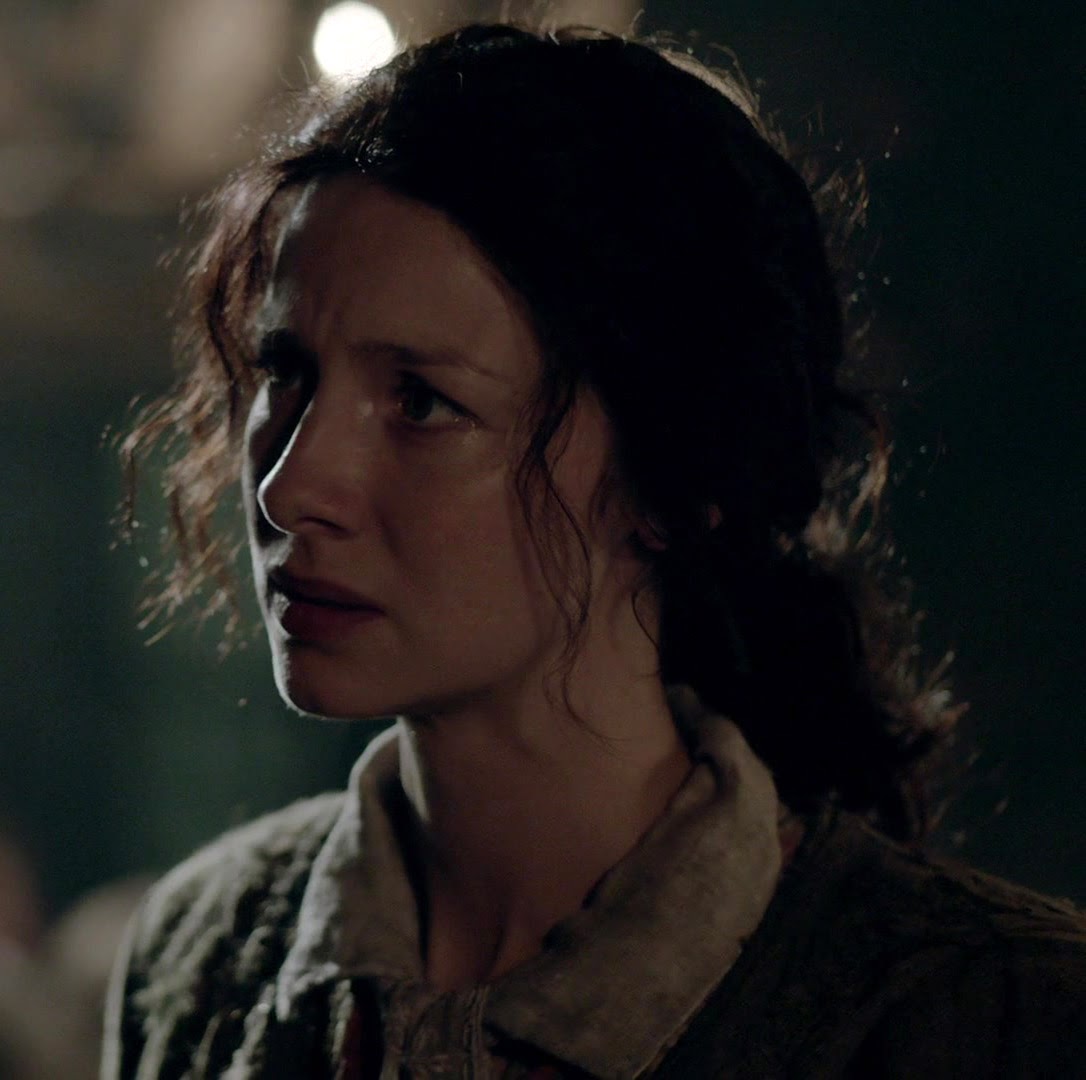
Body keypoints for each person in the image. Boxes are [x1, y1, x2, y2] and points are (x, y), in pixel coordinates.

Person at [101, 22, 1086, 1078]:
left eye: (422, 402)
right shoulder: (204, 958)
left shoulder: (990, 1017)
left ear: (676, 479)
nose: (291, 488)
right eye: (286, 373)